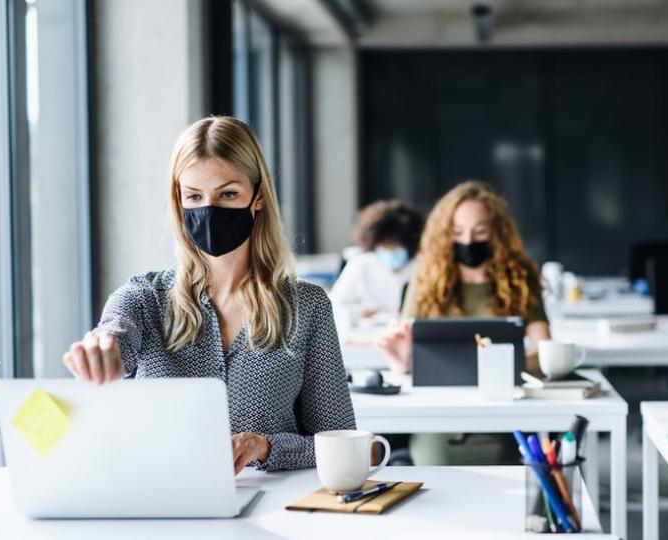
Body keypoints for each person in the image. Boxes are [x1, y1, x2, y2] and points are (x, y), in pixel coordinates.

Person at [61, 116, 356, 473]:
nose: (210, 209)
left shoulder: (307, 307)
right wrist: (100, 348)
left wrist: (266, 447)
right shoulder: (143, 298)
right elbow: (114, 334)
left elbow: (341, 443)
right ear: (179, 200)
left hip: (273, 510)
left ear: (258, 197)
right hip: (162, 502)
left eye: (228, 193)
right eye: (194, 196)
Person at [378, 181, 550, 465]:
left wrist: (504, 364)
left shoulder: (521, 280)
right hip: (440, 421)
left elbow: (545, 352)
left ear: (497, 232)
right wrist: (401, 363)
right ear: (445, 235)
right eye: (458, 232)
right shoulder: (424, 283)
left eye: (479, 231)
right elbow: (408, 355)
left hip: (503, 420)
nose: (468, 241)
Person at [330, 200, 424, 323]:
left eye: (396, 246)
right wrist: (358, 313)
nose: (391, 252)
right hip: (365, 337)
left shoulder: (422, 266)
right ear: (373, 244)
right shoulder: (361, 265)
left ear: (410, 245)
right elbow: (333, 305)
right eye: (385, 246)